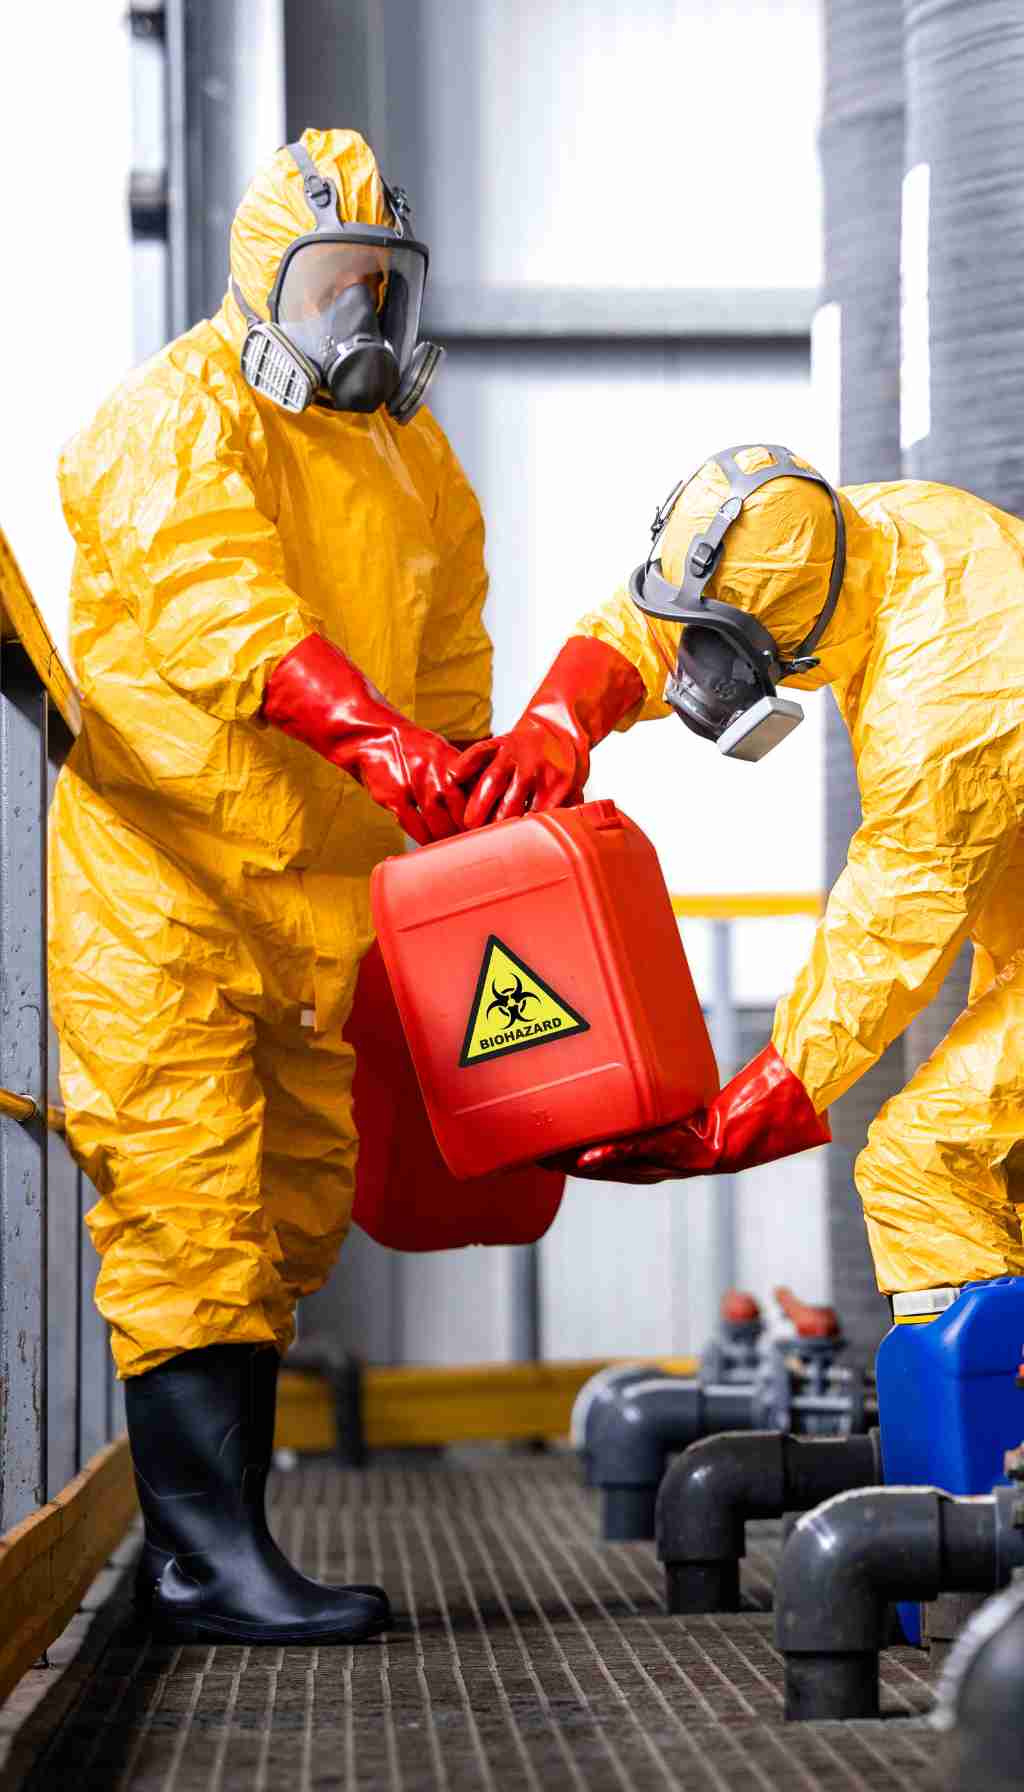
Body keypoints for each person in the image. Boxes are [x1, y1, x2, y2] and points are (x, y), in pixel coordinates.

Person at [50, 127, 493, 1645]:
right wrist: (379, 741)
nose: (361, 319)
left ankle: (230, 1537)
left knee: (294, 1210)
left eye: (382, 285)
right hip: (165, 883)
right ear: (262, 288)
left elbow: (447, 661)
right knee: (191, 1204)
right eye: (332, 288)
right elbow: (217, 608)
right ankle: (201, 1561)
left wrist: (472, 791)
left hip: (323, 897)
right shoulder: (173, 419)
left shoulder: (411, 456)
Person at [455, 442, 1024, 1527]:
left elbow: (884, 936)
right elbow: (678, 607)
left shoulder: (941, 695)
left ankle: (967, 1533)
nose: (698, 677)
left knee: (925, 1157)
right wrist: (558, 720)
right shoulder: (843, 547)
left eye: (722, 654)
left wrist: (735, 1120)